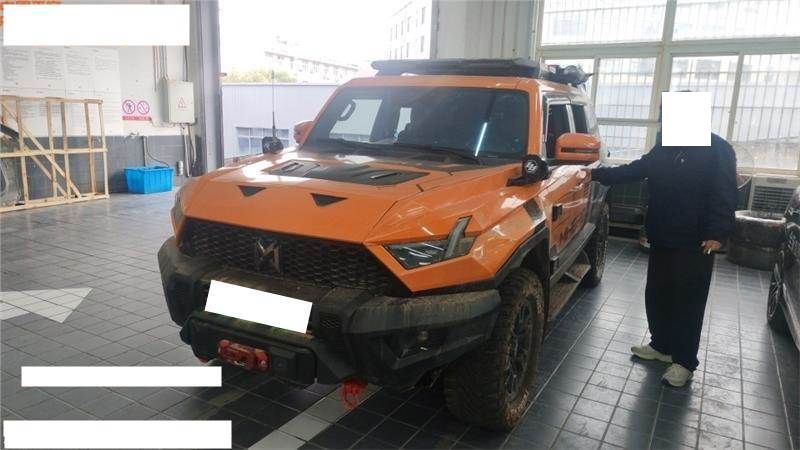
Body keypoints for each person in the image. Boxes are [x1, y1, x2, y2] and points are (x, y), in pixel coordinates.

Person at [583, 110, 738, 387]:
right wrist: (594, 174)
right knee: (658, 293)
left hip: (696, 241)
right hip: (662, 232)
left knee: (688, 301)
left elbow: (725, 193)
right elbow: (637, 169)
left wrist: (717, 233)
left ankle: (684, 361)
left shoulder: (718, 149)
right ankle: (662, 345)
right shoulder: (665, 147)